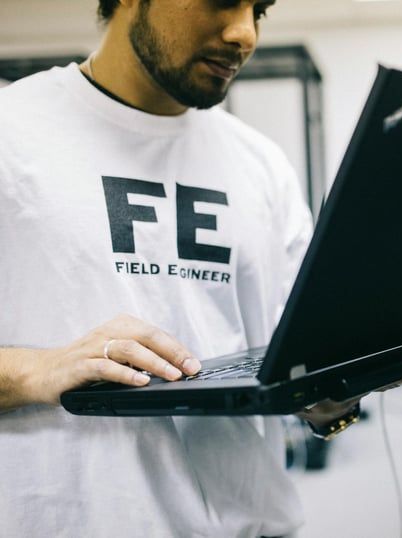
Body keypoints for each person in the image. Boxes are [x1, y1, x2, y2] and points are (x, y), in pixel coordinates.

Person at [0, 0, 376, 535]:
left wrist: (330, 398)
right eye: (222, 1)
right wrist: (37, 370)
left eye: (259, 10)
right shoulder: (11, 135)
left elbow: (295, 367)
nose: (244, 33)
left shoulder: (262, 164)